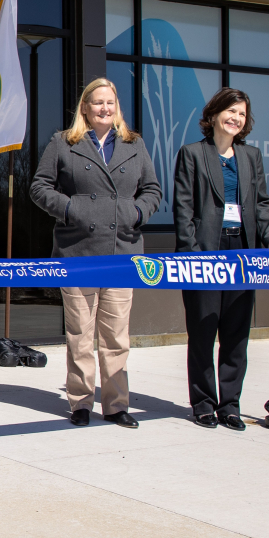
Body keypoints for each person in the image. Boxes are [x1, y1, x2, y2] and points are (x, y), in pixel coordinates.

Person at [30, 77, 161, 429]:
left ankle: (117, 405)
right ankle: (80, 403)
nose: (105, 108)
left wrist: (136, 213)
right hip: (77, 252)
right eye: (97, 102)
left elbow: (152, 190)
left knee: (116, 337)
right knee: (80, 334)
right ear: (85, 107)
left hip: (122, 252)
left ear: (116, 107)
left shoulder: (134, 144)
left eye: (110, 102)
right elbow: (39, 187)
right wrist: (71, 208)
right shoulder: (64, 142)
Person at [174, 87, 269, 431]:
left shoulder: (251, 156)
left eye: (242, 113)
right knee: (204, 330)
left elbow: (261, 204)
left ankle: (230, 405)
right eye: (231, 111)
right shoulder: (192, 153)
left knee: (236, 334)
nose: (236, 118)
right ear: (214, 114)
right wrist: (192, 256)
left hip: (243, 251)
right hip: (206, 252)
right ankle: (204, 403)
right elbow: (184, 208)